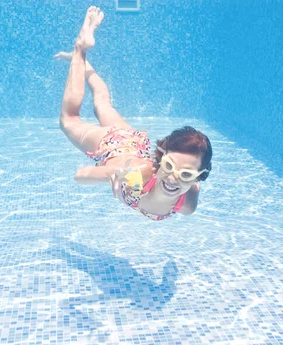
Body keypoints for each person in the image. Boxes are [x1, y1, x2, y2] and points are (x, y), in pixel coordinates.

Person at [57, 6, 212, 221]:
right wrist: (113, 175)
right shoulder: (136, 175)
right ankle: (80, 50)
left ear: (199, 178)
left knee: (102, 103)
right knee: (69, 120)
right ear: (161, 158)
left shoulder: (187, 204)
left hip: (132, 142)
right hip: (112, 147)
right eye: (168, 166)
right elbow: (79, 176)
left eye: (186, 174)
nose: (173, 178)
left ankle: (84, 63)